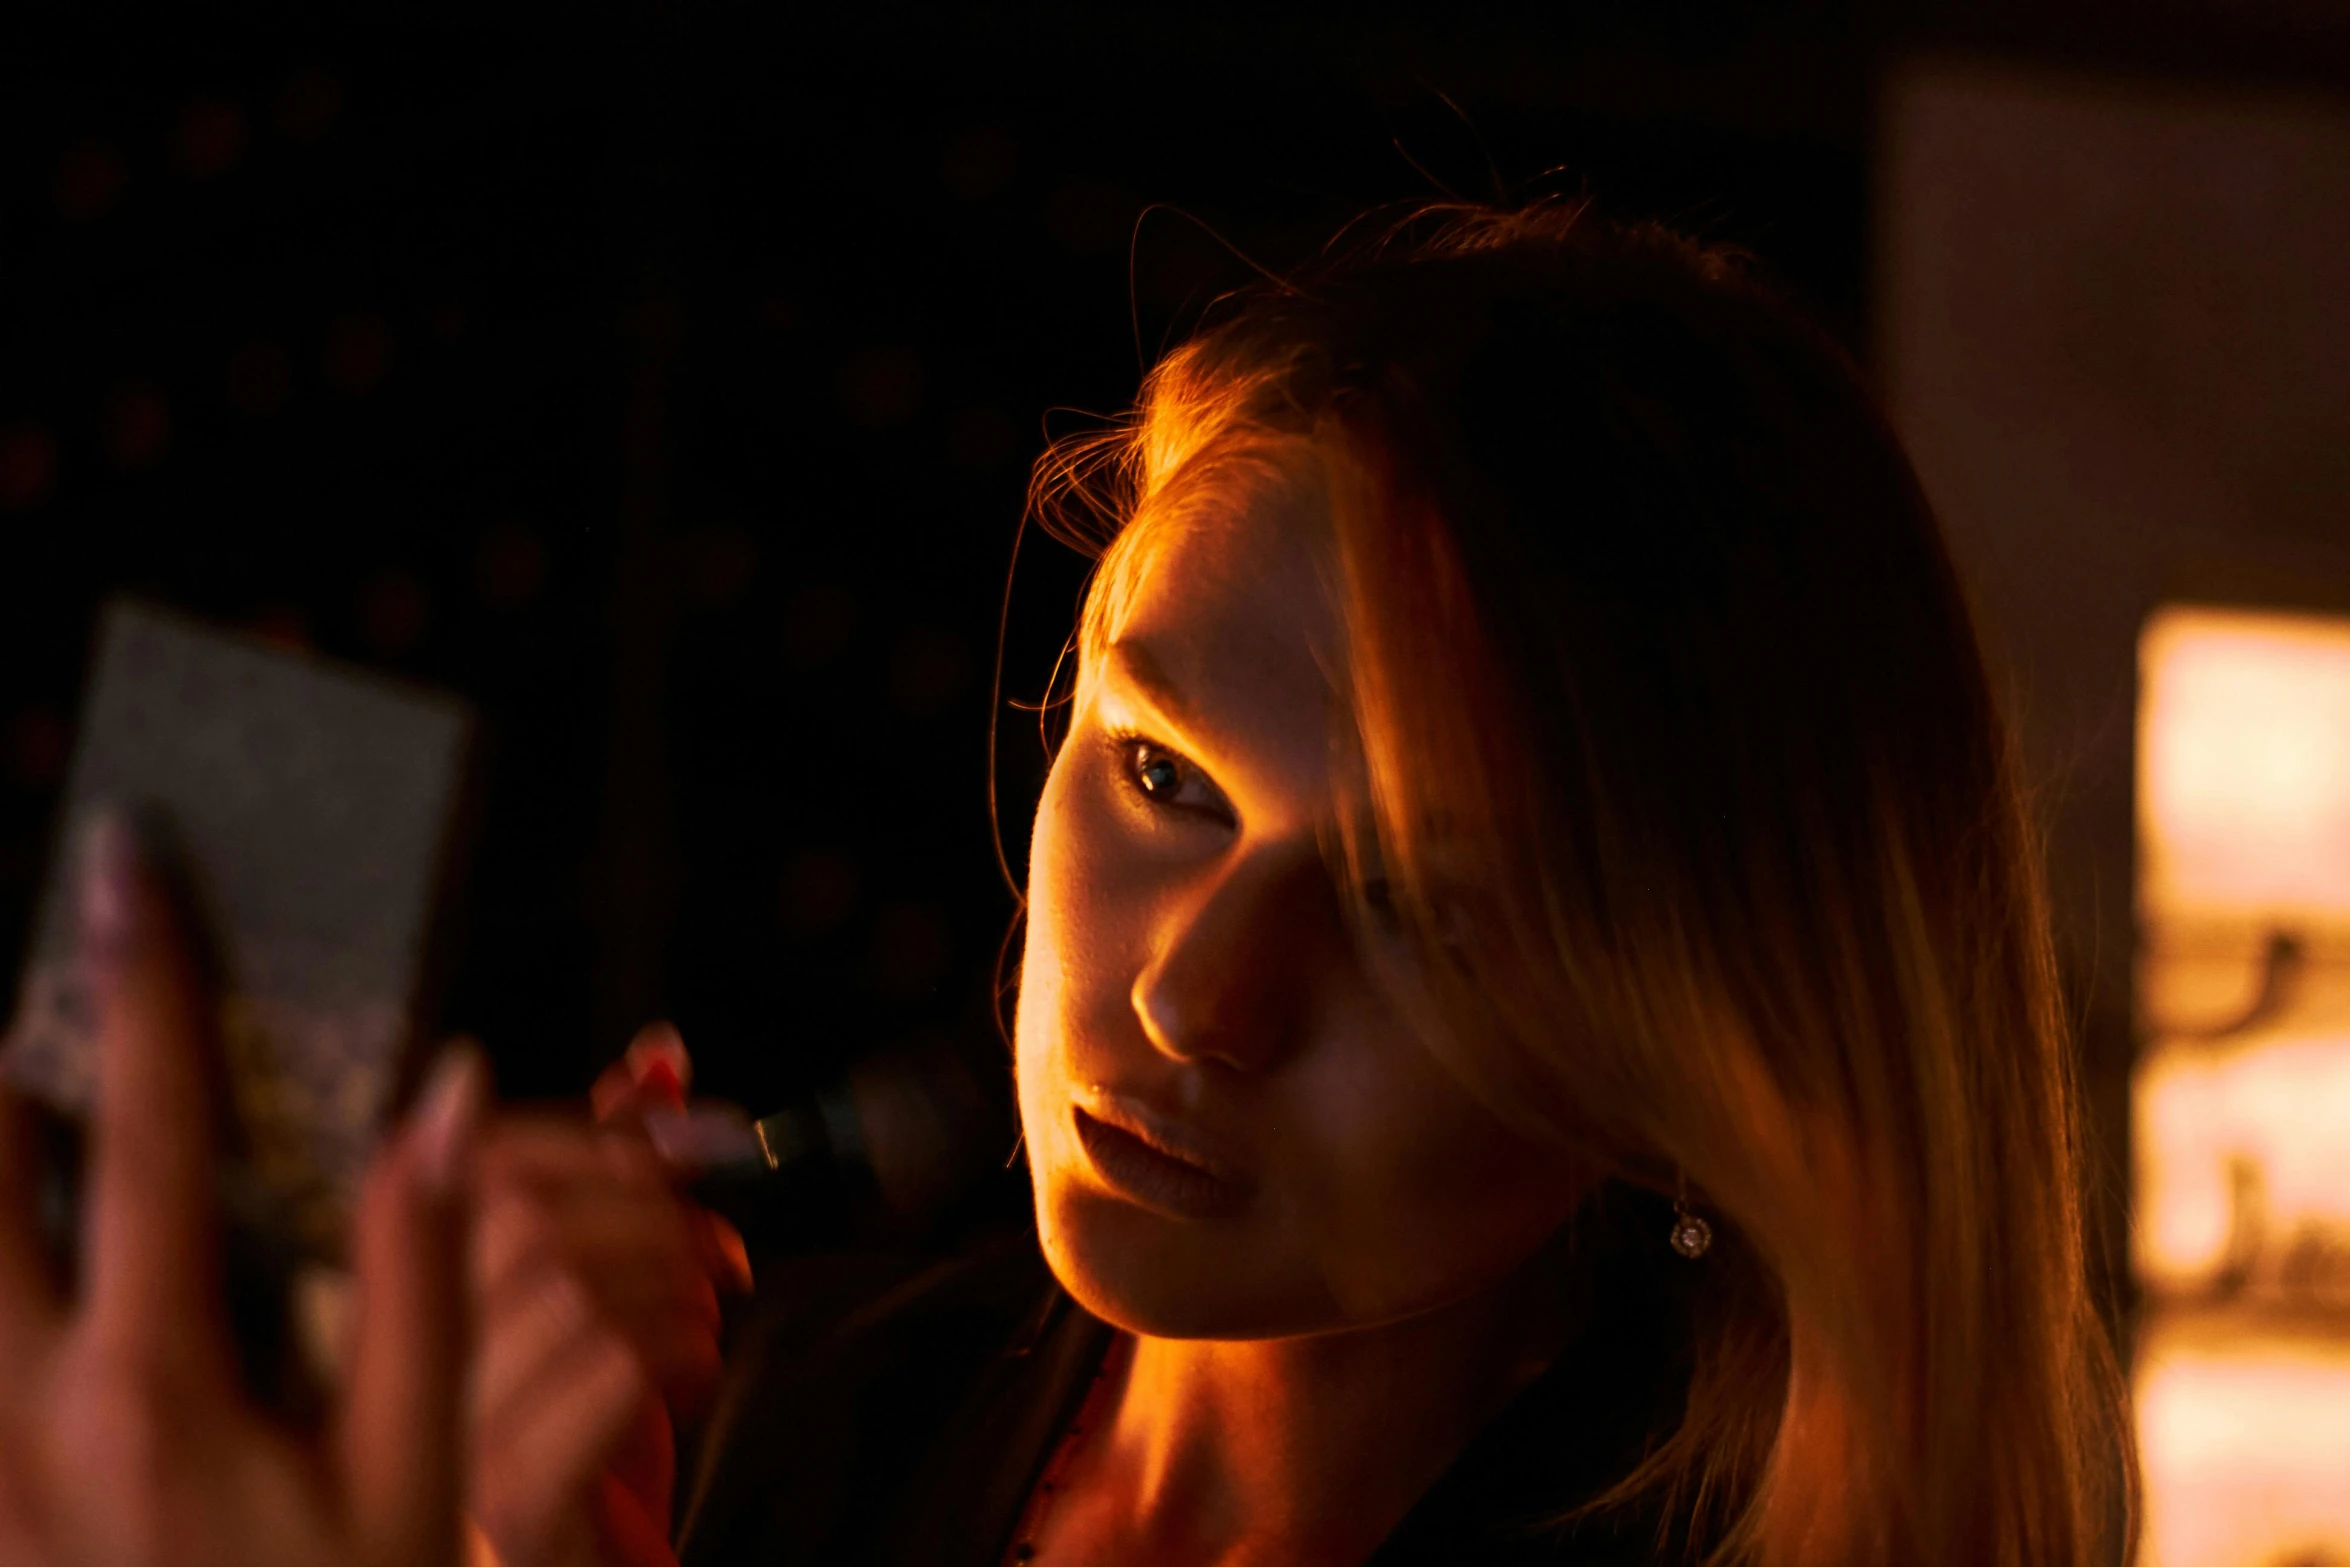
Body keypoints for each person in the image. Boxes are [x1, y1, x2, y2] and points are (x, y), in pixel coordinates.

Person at [0, 201, 2136, 1567]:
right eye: (1159, 774)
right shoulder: (818, 1422)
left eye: (1425, 907)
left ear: (1696, 1046)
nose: (1198, 1001)